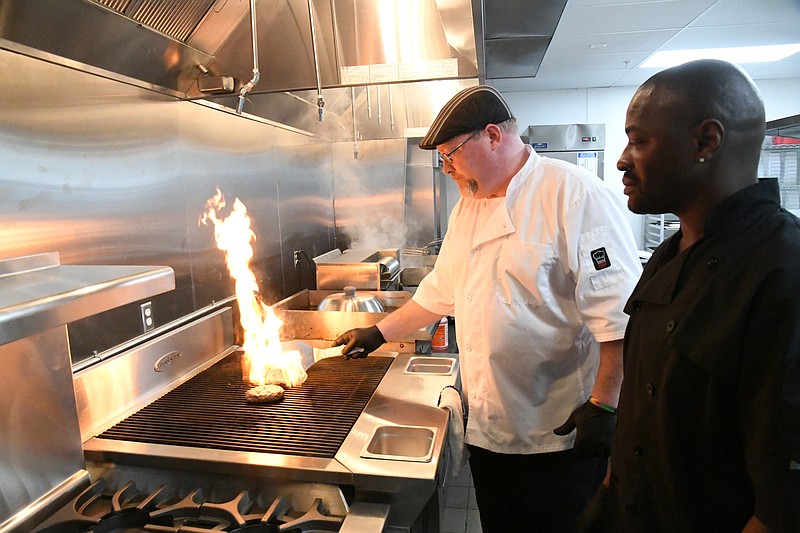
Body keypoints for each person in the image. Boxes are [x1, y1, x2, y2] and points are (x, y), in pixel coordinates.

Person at [333, 85, 642, 532]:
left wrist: (605, 406)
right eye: (442, 159)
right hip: (491, 429)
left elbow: (619, 317)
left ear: (493, 136)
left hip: (559, 433)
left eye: (451, 155)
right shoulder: (468, 208)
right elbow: (440, 291)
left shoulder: (573, 195)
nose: (447, 168)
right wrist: (379, 332)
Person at [582, 59, 800, 532]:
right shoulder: (669, 256)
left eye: (639, 141)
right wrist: (608, 495)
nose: (621, 159)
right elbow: (644, 408)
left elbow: (784, 503)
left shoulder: (782, 273)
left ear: (706, 141)